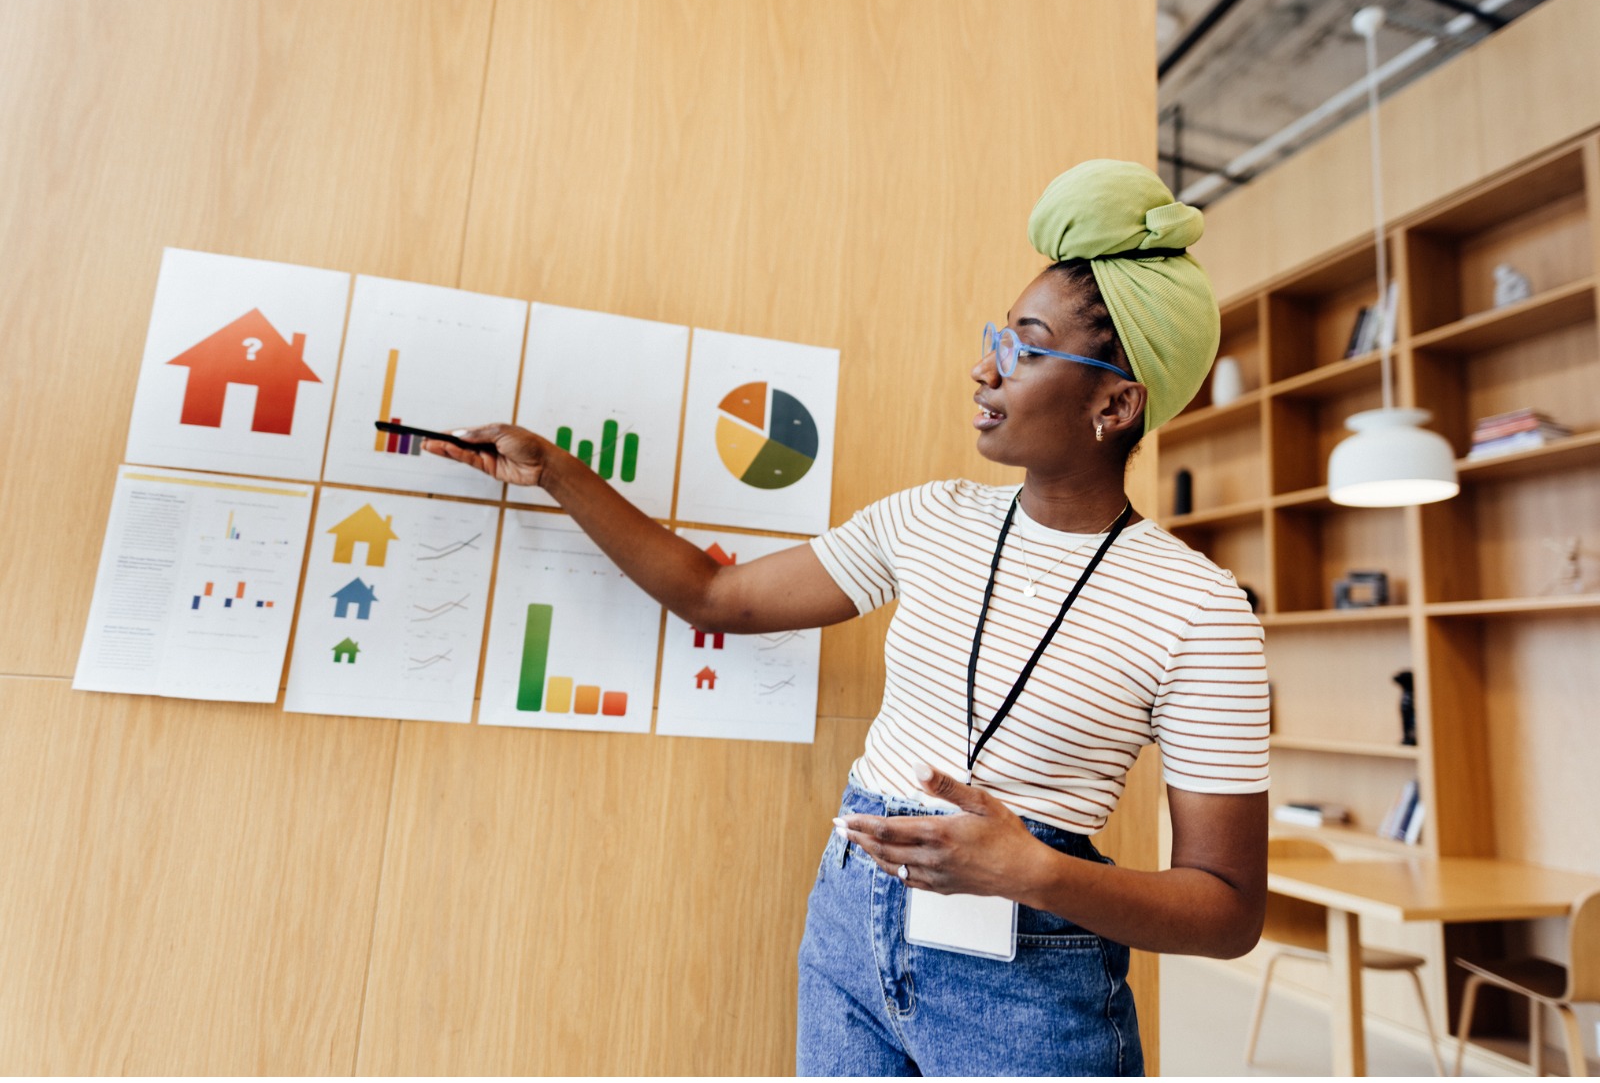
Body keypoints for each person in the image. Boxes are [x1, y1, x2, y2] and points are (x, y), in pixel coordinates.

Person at [427, 159, 1269, 1077]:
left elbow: (1228, 911)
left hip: (1028, 986)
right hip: (849, 940)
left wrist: (1036, 871)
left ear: (1115, 404)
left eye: (1025, 349)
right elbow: (715, 597)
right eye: (996, 336)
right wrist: (553, 470)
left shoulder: (1201, 610)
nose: (984, 367)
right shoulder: (928, 517)